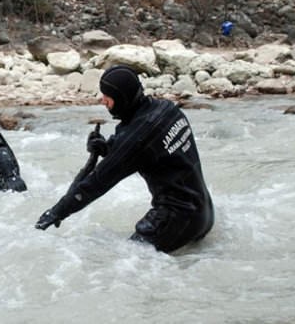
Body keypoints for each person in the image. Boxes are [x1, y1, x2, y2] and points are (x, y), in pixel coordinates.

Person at [35, 64, 214, 253]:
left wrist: (57, 212)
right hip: (205, 212)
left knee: (124, 265)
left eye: (108, 97)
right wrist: (107, 148)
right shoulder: (166, 108)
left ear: (122, 98)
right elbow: (146, 149)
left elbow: (95, 183)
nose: (103, 101)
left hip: (177, 220)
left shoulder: (139, 138)